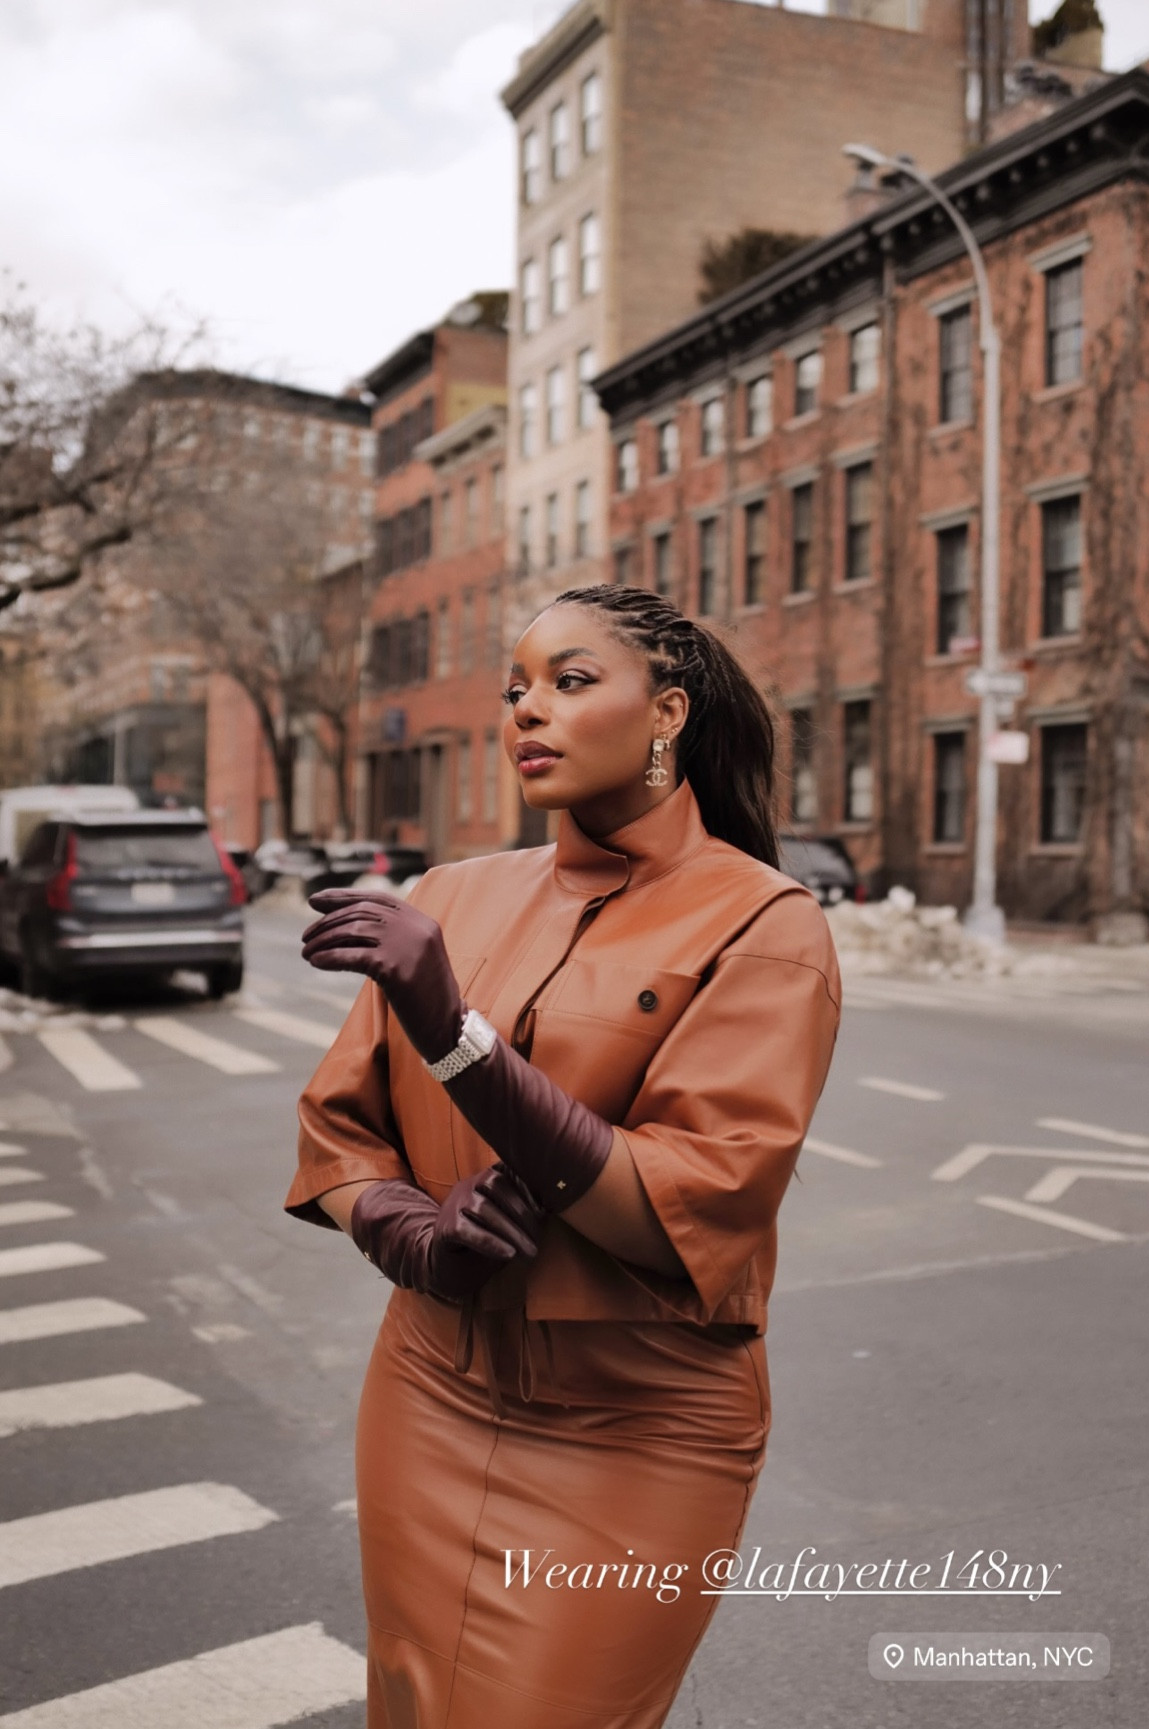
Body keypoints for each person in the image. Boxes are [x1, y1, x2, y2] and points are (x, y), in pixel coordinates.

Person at [285, 584, 841, 1728]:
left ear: (667, 712)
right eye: (515, 689)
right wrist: (412, 1236)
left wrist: (456, 1033)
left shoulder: (764, 922)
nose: (528, 710)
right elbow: (338, 1131)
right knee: (412, 1702)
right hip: (428, 1388)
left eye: (571, 681)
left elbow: (693, 1200)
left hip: (640, 1423)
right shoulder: (448, 896)